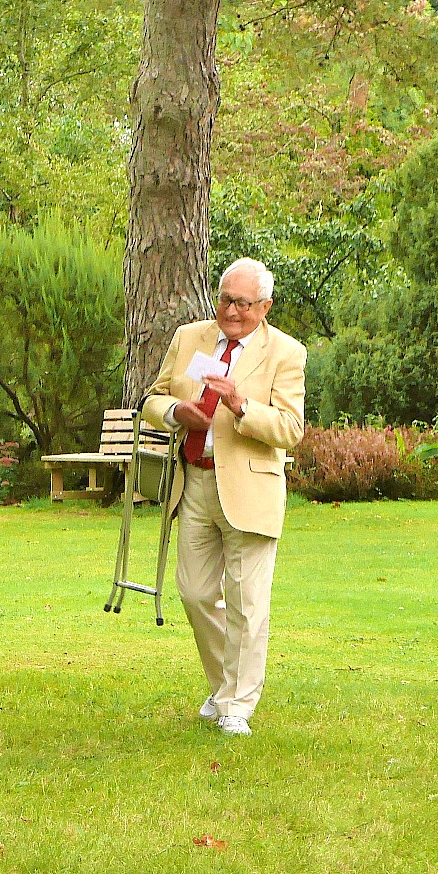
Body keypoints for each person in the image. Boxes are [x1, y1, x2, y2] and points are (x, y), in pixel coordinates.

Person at [143, 257, 306, 736]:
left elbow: (290, 429)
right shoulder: (188, 337)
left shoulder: (286, 353)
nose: (231, 311)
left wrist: (239, 404)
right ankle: (223, 687)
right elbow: (152, 398)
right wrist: (177, 412)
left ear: (265, 307)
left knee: (246, 602)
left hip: (251, 488)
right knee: (195, 594)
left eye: (243, 303)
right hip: (194, 481)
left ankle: (237, 706)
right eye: (225, 300)